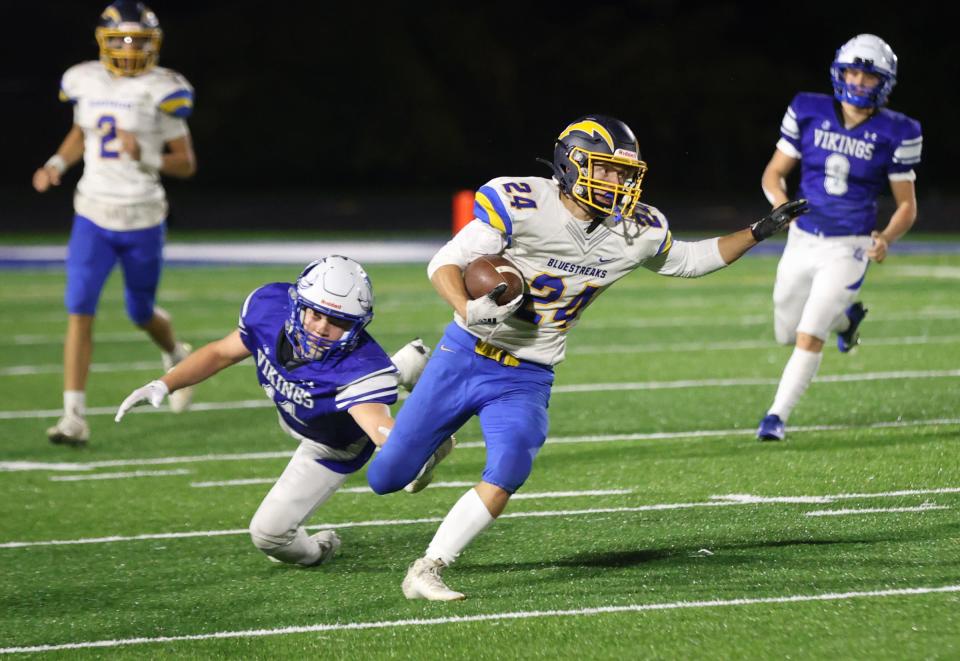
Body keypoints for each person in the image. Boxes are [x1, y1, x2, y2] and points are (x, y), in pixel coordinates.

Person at [365, 114, 809, 600]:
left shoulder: (634, 230)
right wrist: (467, 308)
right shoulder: (523, 203)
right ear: (572, 164)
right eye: (609, 170)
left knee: (511, 464)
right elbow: (444, 263)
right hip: (464, 354)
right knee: (385, 479)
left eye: (625, 173)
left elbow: (689, 260)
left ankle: (428, 567)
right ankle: (423, 411)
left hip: (528, 374)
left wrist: (758, 230)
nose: (620, 182)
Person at [115, 255, 450, 566]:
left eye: (336, 322)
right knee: (364, 385)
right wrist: (165, 383)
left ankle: (320, 550)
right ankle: (406, 368)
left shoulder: (360, 370)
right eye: (315, 314)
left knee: (269, 536)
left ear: (356, 327)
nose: (320, 328)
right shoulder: (269, 309)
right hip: (301, 412)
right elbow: (221, 353)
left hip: (332, 442)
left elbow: (374, 424)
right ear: (296, 305)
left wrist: (407, 451)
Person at [33, 1, 198, 446]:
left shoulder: (163, 89)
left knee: (139, 312)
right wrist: (56, 163)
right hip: (92, 213)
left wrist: (142, 154)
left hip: (142, 215)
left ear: (153, 44)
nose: (129, 48)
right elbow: (81, 132)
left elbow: (185, 163)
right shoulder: (86, 80)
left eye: (138, 40)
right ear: (104, 41)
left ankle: (175, 352)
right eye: (121, 39)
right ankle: (73, 417)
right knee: (79, 310)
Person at [756, 34, 922, 442]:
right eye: (853, 73)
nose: (860, 83)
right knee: (785, 329)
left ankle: (776, 417)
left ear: (884, 82)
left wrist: (886, 237)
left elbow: (907, 205)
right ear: (839, 72)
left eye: (869, 77)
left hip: (850, 245)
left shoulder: (899, 130)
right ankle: (848, 320)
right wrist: (781, 207)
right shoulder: (808, 109)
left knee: (810, 332)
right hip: (803, 236)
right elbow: (773, 174)